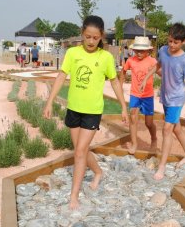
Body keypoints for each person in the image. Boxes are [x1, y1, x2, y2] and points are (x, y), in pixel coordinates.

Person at [43, 15, 128, 210]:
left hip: (92, 111)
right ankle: (97, 171)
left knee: (80, 151)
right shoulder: (72, 53)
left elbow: (114, 81)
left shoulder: (105, 57)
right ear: (82, 34)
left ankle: (74, 195)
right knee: (80, 150)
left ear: (101, 37)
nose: (90, 41)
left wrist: (124, 106)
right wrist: (49, 102)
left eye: (95, 38)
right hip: (74, 109)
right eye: (87, 37)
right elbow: (61, 76)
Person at [141, 23, 185, 180]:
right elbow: (158, 65)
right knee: (176, 128)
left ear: (183, 42)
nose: (171, 45)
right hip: (165, 96)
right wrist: (146, 77)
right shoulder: (163, 51)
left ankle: (162, 167)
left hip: (177, 99)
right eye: (170, 41)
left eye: (175, 42)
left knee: (166, 129)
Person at [119, 36, 157, 154]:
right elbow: (123, 71)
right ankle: (134, 143)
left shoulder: (152, 61)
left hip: (148, 96)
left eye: (142, 50)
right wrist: (120, 85)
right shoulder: (131, 60)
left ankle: (154, 139)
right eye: (137, 50)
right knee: (133, 118)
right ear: (134, 50)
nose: (139, 53)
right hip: (135, 95)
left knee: (149, 123)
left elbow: (159, 68)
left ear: (148, 51)